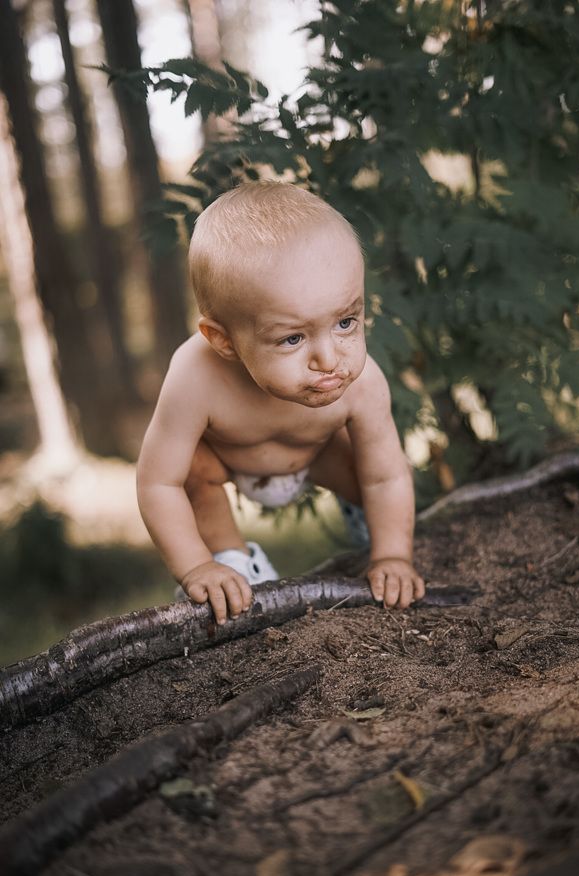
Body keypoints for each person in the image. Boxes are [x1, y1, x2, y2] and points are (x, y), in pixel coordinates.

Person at [137, 182, 425, 624]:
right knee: (192, 471)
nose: (329, 359)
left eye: (346, 322)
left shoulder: (363, 382)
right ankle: (231, 566)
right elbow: (158, 483)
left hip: (318, 455)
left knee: (373, 468)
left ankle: (373, 534)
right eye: (293, 338)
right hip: (225, 462)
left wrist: (393, 556)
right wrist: (195, 565)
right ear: (223, 340)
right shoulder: (194, 377)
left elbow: (386, 476)